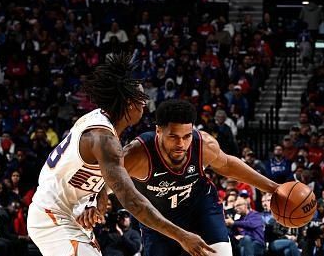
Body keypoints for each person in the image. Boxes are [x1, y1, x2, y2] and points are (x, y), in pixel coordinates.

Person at [27, 54, 215, 256]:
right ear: (128, 103)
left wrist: (93, 204)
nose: (145, 105)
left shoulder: (100, 120)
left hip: (71, 214)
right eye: (142, 100)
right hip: (52, 216)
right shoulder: (104, 140)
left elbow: (94, 178)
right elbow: (132, 201)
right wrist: (182, 236)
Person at [94, 99, 278, 255]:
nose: (181, 144)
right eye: (173, 136)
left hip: (200, 208)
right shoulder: (138, 154)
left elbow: (228, 164)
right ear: (159, 131)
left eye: (187, 136)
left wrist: (273, 187)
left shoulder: (203, 144)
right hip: (158, 220)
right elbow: (110, 180)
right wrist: (97, 198)